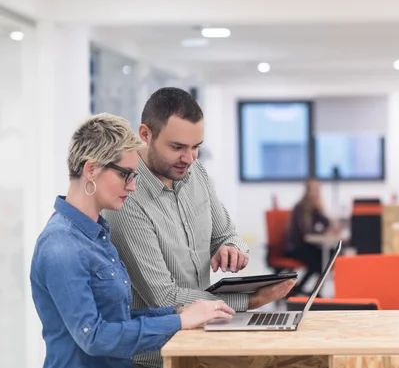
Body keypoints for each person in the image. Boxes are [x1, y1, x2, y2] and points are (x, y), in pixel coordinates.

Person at [103, 88, 295, 368]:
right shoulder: (128, 201)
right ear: (145, 134)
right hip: (157, 357)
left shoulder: (196, 173)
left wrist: (230, 248)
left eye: (196, 147)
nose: (189, 158)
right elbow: (164, 297)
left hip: (201, 337)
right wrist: (249, 301)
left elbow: (227, 233)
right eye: (177, 147)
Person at [29, 113, 235, 368]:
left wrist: (179, 312)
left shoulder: (96, 234)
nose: (132, 186)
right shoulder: (61, 245)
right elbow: (93, 337)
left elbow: (117, 318)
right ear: (91, 169)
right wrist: (178, 322)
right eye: (125, 175)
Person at [284, 178, 333, 295]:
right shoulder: (300, 208)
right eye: (314, 190)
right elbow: (305, 232)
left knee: (329, 256)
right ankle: (310, 291)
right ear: (307, 191)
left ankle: (306, 289)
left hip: (307, 245)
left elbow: (327, 223)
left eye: (318, 190)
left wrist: (321, 207)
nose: (317, 193)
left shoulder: (314, 208)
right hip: (295, 247)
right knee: (319, 262)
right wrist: (321, 232)